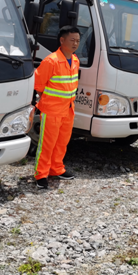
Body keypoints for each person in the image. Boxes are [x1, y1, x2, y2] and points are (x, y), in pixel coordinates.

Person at [33, 26, 80, 190]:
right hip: (52, 110)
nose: (76, 43)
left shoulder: (75, 60)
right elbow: (38, 85)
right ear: (62, 40)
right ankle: (41, 174)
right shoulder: (51, 61)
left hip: (68, 109)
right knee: (47, 143)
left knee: (62, 142)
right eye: (72, 40)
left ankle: (56, 169)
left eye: (78, 40)